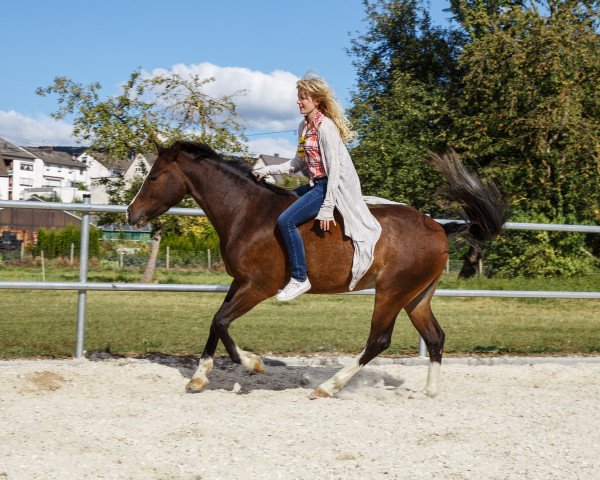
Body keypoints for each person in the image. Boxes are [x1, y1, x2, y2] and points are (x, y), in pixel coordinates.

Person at [253, 73, 381, 301]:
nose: (298, 101)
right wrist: (267, 170)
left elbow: (335, 173)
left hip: (329, 187)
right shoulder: (304, 127)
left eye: (303, 97)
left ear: (317, 100)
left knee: (286, 220)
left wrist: (327, 207)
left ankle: (300, 278)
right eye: (298, 97)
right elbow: (297, 163)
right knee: (283, 202)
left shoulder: (326, 128)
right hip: (316, 184)